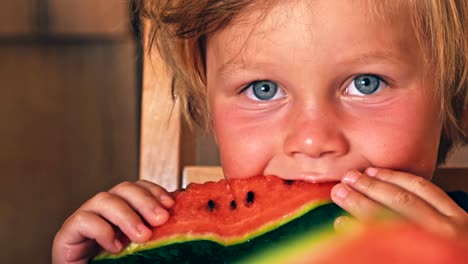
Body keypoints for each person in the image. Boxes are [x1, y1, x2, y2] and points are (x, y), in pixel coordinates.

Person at [52, 0, 468, 263]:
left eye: (366, 83)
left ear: (451, 98)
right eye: (263, 90)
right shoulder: (182, 249)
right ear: (210, 111)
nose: (311, 140)